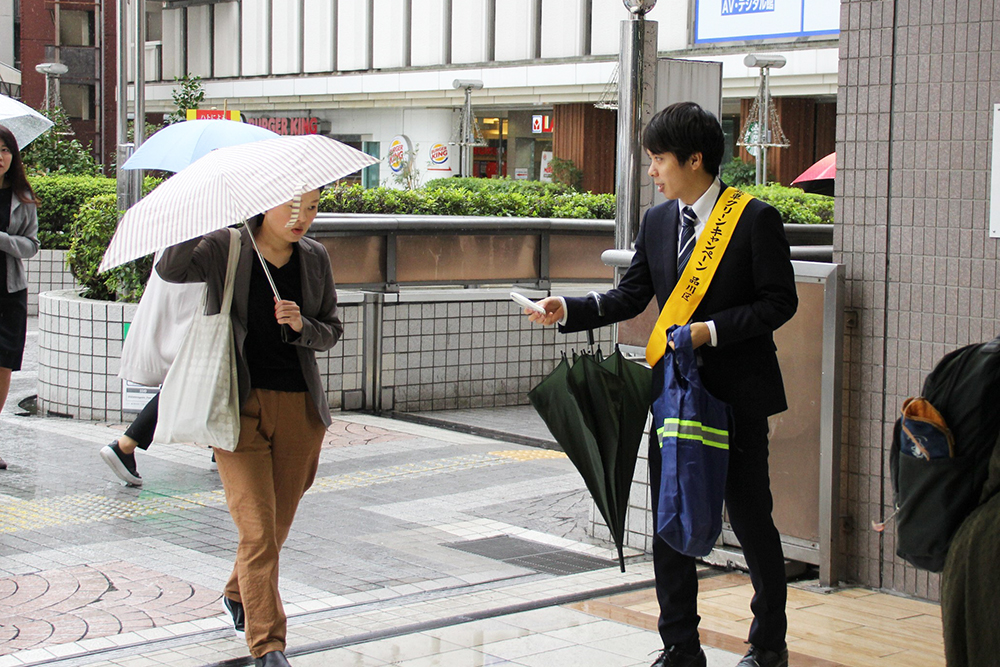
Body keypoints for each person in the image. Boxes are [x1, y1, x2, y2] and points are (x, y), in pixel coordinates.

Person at [524, 102, 798, 667]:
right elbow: (631, 296)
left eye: (658, 160)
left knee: (749, 521)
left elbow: (779, 303)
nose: (652, 171)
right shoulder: (658, 221)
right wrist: (568, 308)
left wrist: (711, 331)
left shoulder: (753, 218)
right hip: (674, 396)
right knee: (671, 515)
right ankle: (680, 646)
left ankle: (768, 646)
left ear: (695, 159)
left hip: (735, 397)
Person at [157, 189, 343, 667]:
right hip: (236, 407)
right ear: (266, 204)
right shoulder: (227, 246)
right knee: (257, 531)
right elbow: (171, 270)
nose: (303, 217)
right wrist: (201, 214)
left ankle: (239, 592)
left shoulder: (315, 257)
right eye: (293, 206)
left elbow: (331, 330)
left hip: (301, 409)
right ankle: (268, 645)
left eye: (314, 207)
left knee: (275, 528)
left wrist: (304, 325)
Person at [101, 270, 205, 486]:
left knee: (197, 377)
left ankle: (221, 450)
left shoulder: (178, 240)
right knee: (190, 378)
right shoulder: (199, 240)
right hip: (198, 301)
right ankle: (126, 443)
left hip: (186, 297)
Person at [0, 124, 41, 471]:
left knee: (3, 367)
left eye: (5, 149)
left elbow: (31, 245)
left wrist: (1, 239)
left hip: (9, 293)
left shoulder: (22, 198)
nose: (0, 157)